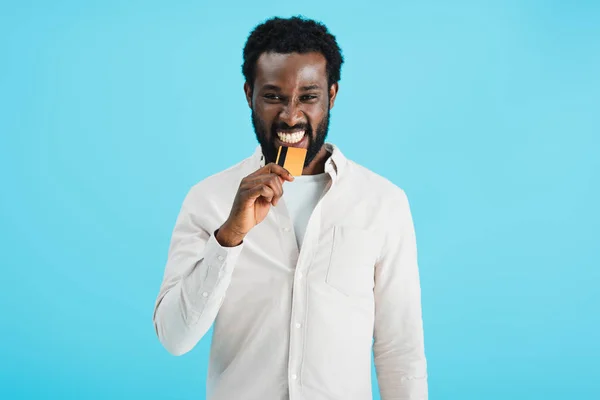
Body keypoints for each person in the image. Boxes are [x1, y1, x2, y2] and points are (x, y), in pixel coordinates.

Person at [153, 16, 428, 400]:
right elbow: (174, 338)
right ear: (249, 94)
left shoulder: (383, 202)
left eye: (308, 97)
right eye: (273, 96)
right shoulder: (208, 199)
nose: (290, 116)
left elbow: (401, 349)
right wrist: (230, 236)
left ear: (331, 96)